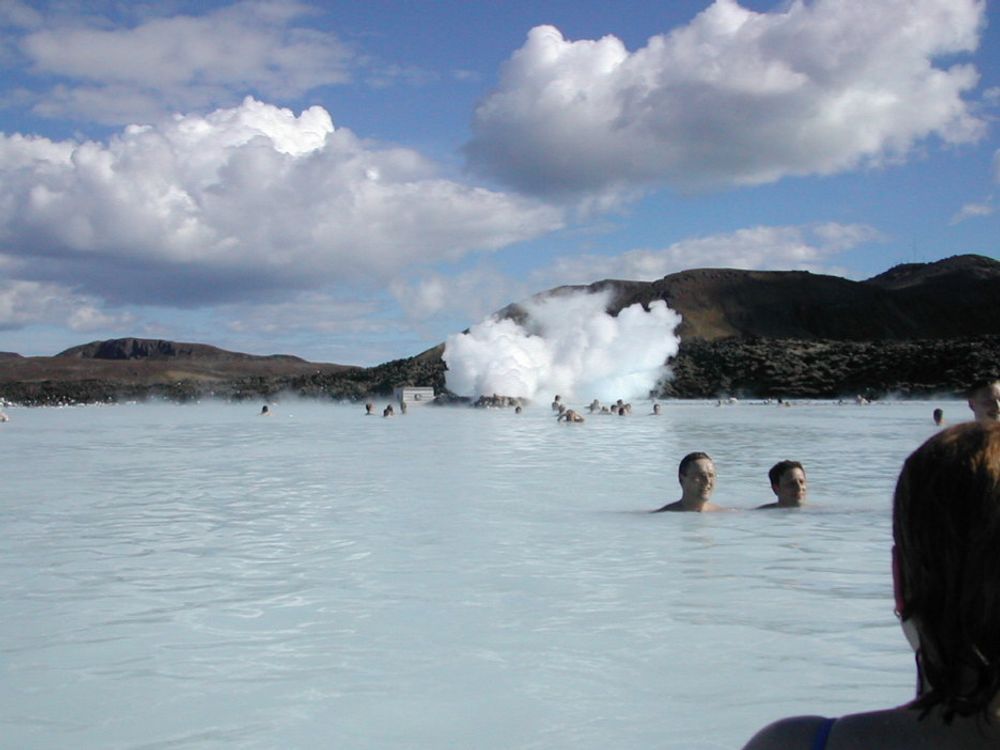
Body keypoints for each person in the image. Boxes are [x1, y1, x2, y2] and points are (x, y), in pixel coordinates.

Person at [741, 422, 1000, 749]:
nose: (800, 488)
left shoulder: (796, 744)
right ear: (776, 488)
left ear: (899, 579)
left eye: (803, 482)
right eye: (792, 483)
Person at [653, 452, 724, 512]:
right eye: (700, 475)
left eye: (711, 475)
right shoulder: (664, 515)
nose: (707, 481)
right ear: (682, 479)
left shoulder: (723, 514)